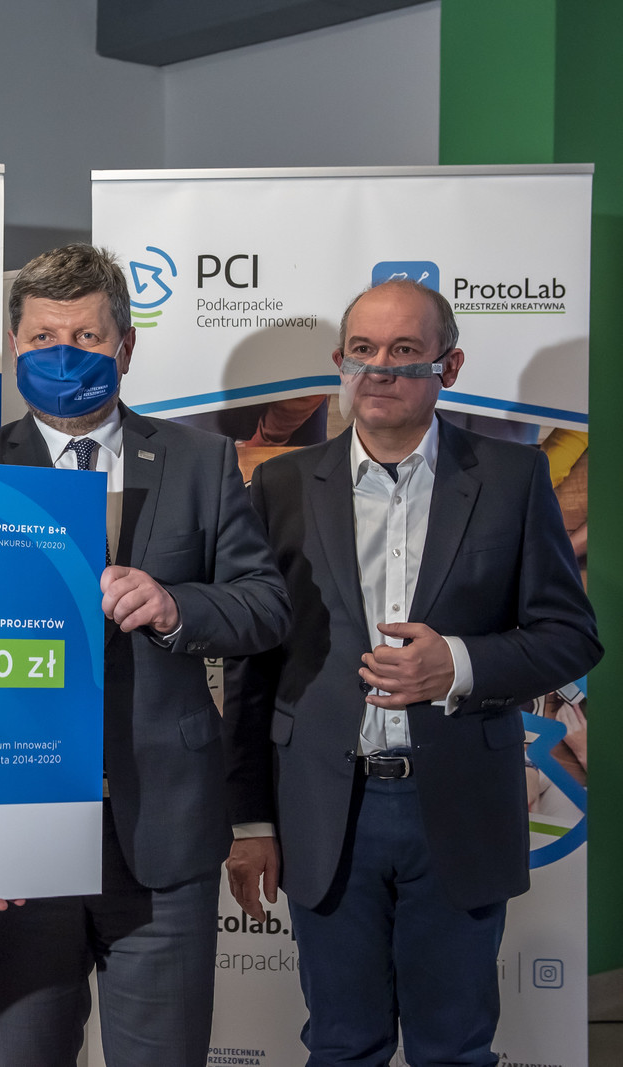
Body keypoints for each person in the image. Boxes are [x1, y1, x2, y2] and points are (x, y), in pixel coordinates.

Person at [223, 279, 601, 1067]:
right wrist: (252, 821)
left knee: (454, 1048)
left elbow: (571, 637)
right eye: (363, 350)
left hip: (459, 805)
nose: (380, 369)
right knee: (342, 1044)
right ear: (341, 362)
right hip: (327, 812)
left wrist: (456, 663)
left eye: (404, 351)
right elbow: (256, 665)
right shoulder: (283, 485)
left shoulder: (512, 478)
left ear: (448, 366)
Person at [0, 243, 291, 1067]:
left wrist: (177, 607)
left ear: (125, 347)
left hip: (163, 830)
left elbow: (266, 605)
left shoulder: (202, 462)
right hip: (20, 839)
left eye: (88, 337)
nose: (64, 353)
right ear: (16, 346)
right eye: (44, 337)